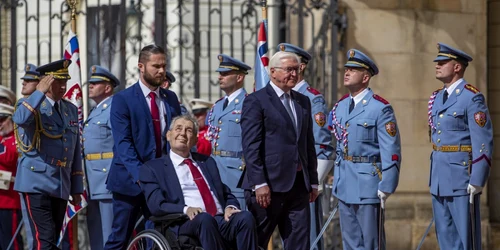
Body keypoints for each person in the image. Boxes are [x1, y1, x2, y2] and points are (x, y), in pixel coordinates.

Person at [140, 115, 259, 250]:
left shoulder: (207, 162)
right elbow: (156, 205)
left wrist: (229, 206)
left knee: (245, 217)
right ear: (168, 135)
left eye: (189, 130)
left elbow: (224, 191)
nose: (183, 133)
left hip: (219, 219)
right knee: (204, 219)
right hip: (185, 222)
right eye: (178, 129)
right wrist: (186, 209)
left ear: (195, 140)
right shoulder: (153, 168)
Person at [104, 44, 182, 250]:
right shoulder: (123, 99)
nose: (161, 70)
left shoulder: (170, 98)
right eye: (156, 66)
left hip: (161, 184)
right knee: (120, 238)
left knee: (157, 239)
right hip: (130, 183)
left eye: (164, 65)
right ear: (141, 66)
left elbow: (173, 140)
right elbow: (123, 144)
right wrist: (141, 177)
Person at [239, 51, 318, 249]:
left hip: (299, 185)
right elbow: (251, 146)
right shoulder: (256, 101)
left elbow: (307, 144)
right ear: (273, 72)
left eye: (296, 69)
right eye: (288, 69)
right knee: (257, 240)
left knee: (299, 243)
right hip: (268, 186)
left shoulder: (303, 101)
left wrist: (314, 180)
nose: (294, 74)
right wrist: (259, 183)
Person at [327, 49, 401, 250]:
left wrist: (387, 184)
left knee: (371, 243)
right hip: (344, 181)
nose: (347, 72)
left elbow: (391, 149)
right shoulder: (340, 106)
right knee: (350, 243)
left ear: (365, 77)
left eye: (353, 69)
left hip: (368, 183)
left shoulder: (380, 108)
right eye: (347, 69)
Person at [13, 59, 84, 250]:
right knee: (44, 240)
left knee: (54, 239)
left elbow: (75, 149)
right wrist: (38, 93)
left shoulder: (69, 109)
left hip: (60, 184)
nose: (63, 87)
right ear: (45, 82)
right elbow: (19, 119)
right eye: (57, 82)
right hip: (36, 181)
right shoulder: (30, 103)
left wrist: (76, 187)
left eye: (64, 82)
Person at [427, 43, 492, 250]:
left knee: (466, 240)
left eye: (443, 62)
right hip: (438, 177)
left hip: (461, 178)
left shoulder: (471, 97)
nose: (437, 65)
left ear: (457, 67)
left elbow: (482, 141)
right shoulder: (437, 98)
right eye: (438, 62)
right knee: (445, 238)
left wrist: (478, 178)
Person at [278, 43, 334, 250]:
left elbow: (322, 144)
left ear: (300, 68)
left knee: (307, 238)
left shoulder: (312, 98)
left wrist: (312, 183)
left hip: (303, 182)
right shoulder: (280, 97)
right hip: (282, 180)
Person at [207, 54, 251, 209]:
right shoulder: (218, 105)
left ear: (239, 77)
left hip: (235, 171)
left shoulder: (249, 104)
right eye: (220, 73)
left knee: (237, 218)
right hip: (215, 168)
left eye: (225, 74)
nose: (220, 77)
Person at [83, 65, 120, 249]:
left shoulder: (113, 108)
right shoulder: (96, 110)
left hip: (106, 177)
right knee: (95, 231)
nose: (90, 86)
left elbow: (120, 144)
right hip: (91, 178)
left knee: (109, 232)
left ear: (107, 88)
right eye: (90, 83)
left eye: (96, 83)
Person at [0, 103, 23, 250]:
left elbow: (9, 158)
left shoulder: (17, 139)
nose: (0, 124)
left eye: (2, 120)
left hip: (10, 200)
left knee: (11, 241)